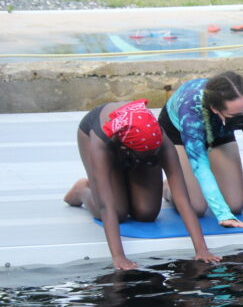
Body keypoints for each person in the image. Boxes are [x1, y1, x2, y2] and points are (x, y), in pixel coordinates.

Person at [64, 100, 221, 270]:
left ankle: (159, 182)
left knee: (146, 213)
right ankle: (83, 190)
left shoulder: (159, 137)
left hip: (140, 146)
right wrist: (119, 257)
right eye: (149, 157)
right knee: (118, 212)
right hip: (99, 137)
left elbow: (182, 197)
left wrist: (201, 249)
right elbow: (106, 206)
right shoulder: (101, 141)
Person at [158, 71, 243, 229]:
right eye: (237, 115)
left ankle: (197, 180)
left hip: (221, 129)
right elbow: (200, 166)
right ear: (215, 109)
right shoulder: (191, 111)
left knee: (235, 205)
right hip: (180, 133)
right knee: (196, 207)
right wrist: (222, 214)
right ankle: (170, 187)